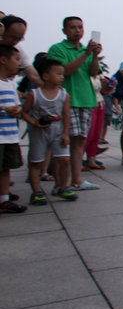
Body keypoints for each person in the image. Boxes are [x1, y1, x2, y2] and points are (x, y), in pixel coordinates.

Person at [47, 16, 102, 192]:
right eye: (72, 27)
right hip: (66, 100)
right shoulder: (57, 49)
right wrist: (85, 54)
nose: (77, 30)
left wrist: (93, 56)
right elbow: (65, 71)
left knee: (79, 141)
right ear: (64, 30)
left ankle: (77, 179)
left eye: (80, 27)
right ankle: (59, 182)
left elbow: (93, 73)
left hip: (86, 99)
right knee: (63, 141)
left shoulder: (87, 50)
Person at [21, 57, 75, 204]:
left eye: (62, 74)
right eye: (58, 74)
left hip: (58, 130)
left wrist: (65, 134)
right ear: (45, 76)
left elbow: (66, 115)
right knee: (36, 161)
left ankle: (63, 187)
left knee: (64, 159)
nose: (61, 77)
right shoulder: (35, 94)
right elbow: (24, 112)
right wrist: (34, 123)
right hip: (39, 131)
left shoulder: (64, 95)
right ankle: (37, 191)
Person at [0, 45, 27, 213]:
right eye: (16, 60)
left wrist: (17, 110)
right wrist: (3, 109)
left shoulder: (10, 84)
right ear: (3, 60)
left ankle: (4, 199)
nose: (19, 63)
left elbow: (16, 106)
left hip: (10, 135)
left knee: (5, 168)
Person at [0, 15, 41, 88]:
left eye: (19, 39)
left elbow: (33, 76)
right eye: (12, 37)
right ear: (2, 30)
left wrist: (49, 88)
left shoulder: (18, 51)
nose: (15, 42)